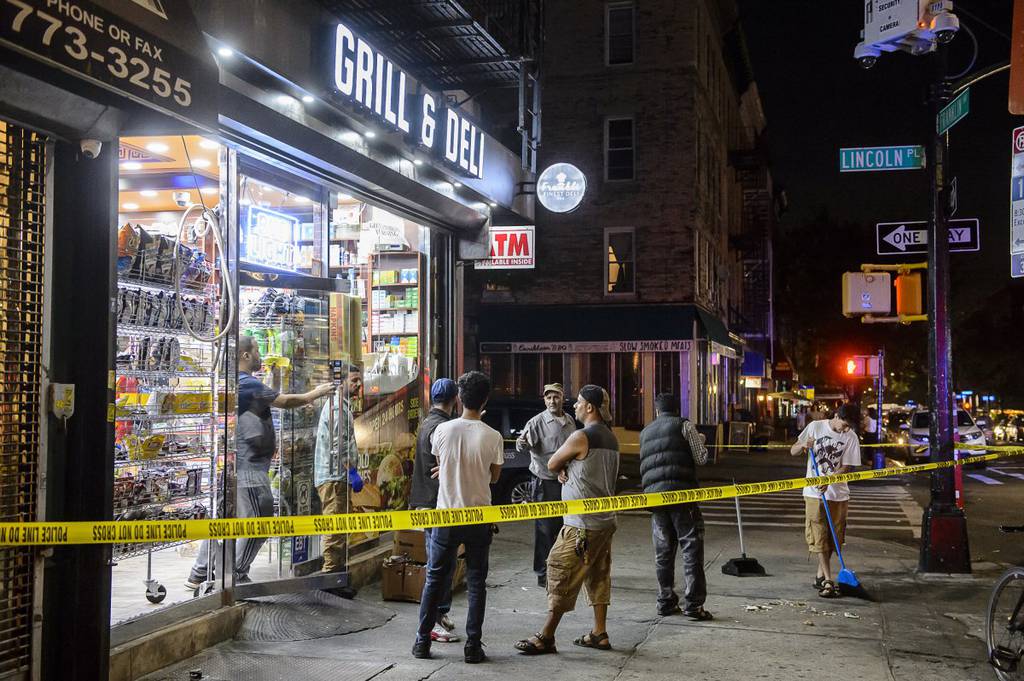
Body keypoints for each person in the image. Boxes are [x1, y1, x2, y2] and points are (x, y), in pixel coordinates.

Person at [186, 335, 334, 589]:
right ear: (245, 355)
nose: (259, 355)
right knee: (261, 519)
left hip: (238, 466)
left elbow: (267, 399)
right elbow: (284, 402)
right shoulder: (246, 383)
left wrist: (276, 377)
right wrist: (316, 393)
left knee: (223, 521)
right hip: (248, 468)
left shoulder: (242, 383)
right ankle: (236, 573)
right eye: (256, 351)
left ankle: (199, 573)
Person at [515, 385, 619, 655]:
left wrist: (563, 466)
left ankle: (546, 636)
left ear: (590, 408)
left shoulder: (581, 436)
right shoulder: (610, 437)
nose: (574, 406)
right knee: (597, 576)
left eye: (580, 402)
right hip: (604, 522)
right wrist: (569, 468)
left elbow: (551, 464)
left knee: (560, 570)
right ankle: (599, 633)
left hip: (581, 524)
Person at [413, 371, 504, 664]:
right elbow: (494, 477)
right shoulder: (493, 436)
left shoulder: (443, 431)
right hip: (478, 518)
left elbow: (442, 467)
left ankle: (421, 642)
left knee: (435, 579)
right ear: (485, 399)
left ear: (459, 399)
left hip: (446, 516)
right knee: (477, 583)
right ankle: (472, 647)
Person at [638, 393, 713, 620]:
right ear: (677, 409)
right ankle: (693, 604)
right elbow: (701, 458)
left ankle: (666, 601)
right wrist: (700, 440)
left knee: (663, 552)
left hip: (656, 499)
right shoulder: (685, 425)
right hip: (682, 496)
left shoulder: (645, 431)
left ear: (658, 411)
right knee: (691, 549)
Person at [790, 402, 861, 599]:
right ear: (837, 416)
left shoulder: (851, 437)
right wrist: (804, 445)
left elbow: (846, 467)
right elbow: (793, 451)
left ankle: (820, 575)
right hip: (813, 493)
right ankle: (829, 580)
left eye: (849, 427)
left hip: (838, 494)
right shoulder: (815, 427)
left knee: (833, 539)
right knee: (819, 535)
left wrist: (829, 480)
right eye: (844, 425)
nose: (845, 429)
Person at [408, 378, 460, 643]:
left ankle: (438, 614)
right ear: (455, 400)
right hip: (435, 502)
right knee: (438, 566)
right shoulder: (441, 428)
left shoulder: (429, 422)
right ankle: (429, 624)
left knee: (441, 564)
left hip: (427, 500)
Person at [516, 382, 577, 587]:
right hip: (545, 482)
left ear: (563, 398)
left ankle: (561, 568)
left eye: (556, 397)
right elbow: (523, 445)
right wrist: (522, 443)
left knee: (565, 527)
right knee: (545, 530)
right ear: (544, 400)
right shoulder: (536, 422)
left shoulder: (569, 421)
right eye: (548, 397)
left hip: (567, 483)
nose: (552, 401)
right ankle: (543, 573)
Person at [313, 363, 363, 574]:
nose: (358, 385)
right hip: (334, 477)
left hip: (337, 476)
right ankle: (330, 576)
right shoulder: (336, 408)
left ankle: (337, 575)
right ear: (341, 382)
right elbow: (338, 445)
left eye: (359, 380)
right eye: (353, 380)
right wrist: (351, 471)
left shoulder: (342, 406)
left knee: (340, 526)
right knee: (335, 528)